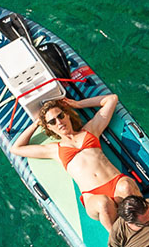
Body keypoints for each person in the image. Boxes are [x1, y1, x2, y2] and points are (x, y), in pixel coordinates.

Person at [8, 94, 141, 230]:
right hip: (94, 195)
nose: (59, 122)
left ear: (67, 115)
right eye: (52, 122)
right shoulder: (54, 149)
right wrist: (37, 123)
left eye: (60, 116)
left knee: (126, 186)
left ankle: (143, 224)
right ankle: (120, 240)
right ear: (48, 127)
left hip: (116, 183)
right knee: (103, 204)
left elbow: (112, 99)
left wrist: (78, 104)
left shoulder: (90, 130)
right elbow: (16, 149)